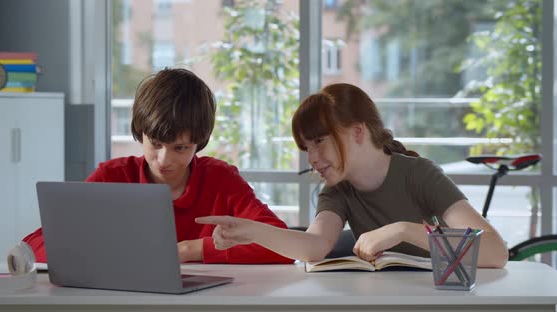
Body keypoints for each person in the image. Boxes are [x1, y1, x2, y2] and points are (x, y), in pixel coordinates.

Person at [196, 83, 508, 268]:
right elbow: (314, 246)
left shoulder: (419, 174)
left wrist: (402, 230)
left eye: (319, 141)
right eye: (306, 147)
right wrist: (250, 231)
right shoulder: (337, 189)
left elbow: (496, 251)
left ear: (357, 131)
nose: (312, 158)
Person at [23, 68, 293, 264]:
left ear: (199, 143)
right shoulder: (112, 176)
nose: (164, 160)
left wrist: (191, 249)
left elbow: (282, 244)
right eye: (156, 144)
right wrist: (105, 249)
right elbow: (34, 245)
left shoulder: (221, 179)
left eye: (180, 148)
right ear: (140, 134)